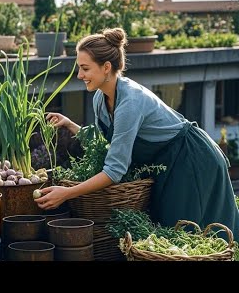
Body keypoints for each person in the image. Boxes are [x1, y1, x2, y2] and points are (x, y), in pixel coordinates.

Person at [34, 27, 239, 241]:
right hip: (168, 163)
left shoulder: (129, 103)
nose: (79, 75)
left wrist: (67, 193)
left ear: (106, 67)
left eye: (85, 68)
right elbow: (109, 144)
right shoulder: (100, 98)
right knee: (172, 236)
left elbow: (114, 171)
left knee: (194, 235)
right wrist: (71, 125)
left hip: (192, 159)